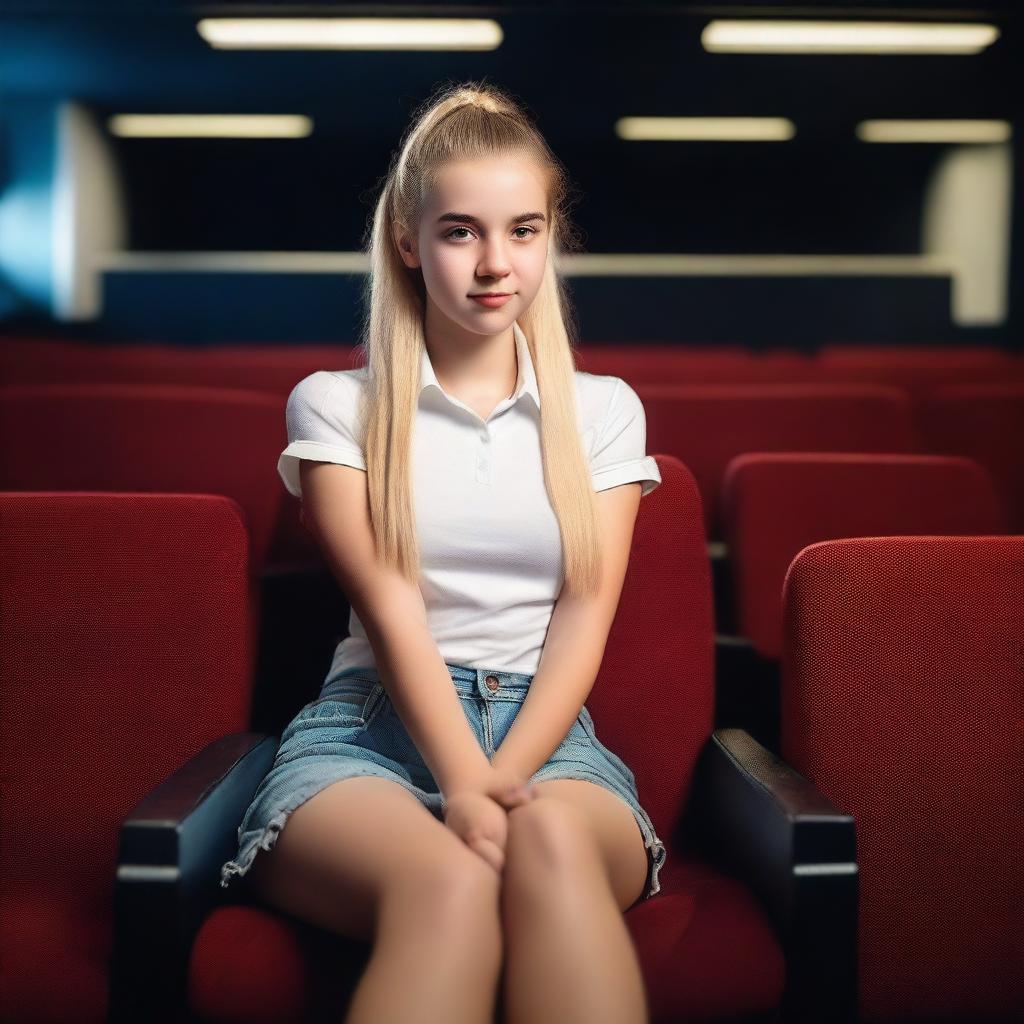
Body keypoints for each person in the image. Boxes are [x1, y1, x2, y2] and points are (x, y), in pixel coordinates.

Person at [219, 79, 666, 1024]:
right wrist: (464, 787)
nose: (496, 263)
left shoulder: (606, 409)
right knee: (450, 886)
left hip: (552, 737)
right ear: (406, 240)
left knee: (546, 846)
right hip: (369, 731)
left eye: (525, 230)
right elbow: (392, 611)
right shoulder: (336, 405)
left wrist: (501, 783)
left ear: (552, 238)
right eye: (460, 230)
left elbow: (585, 621)